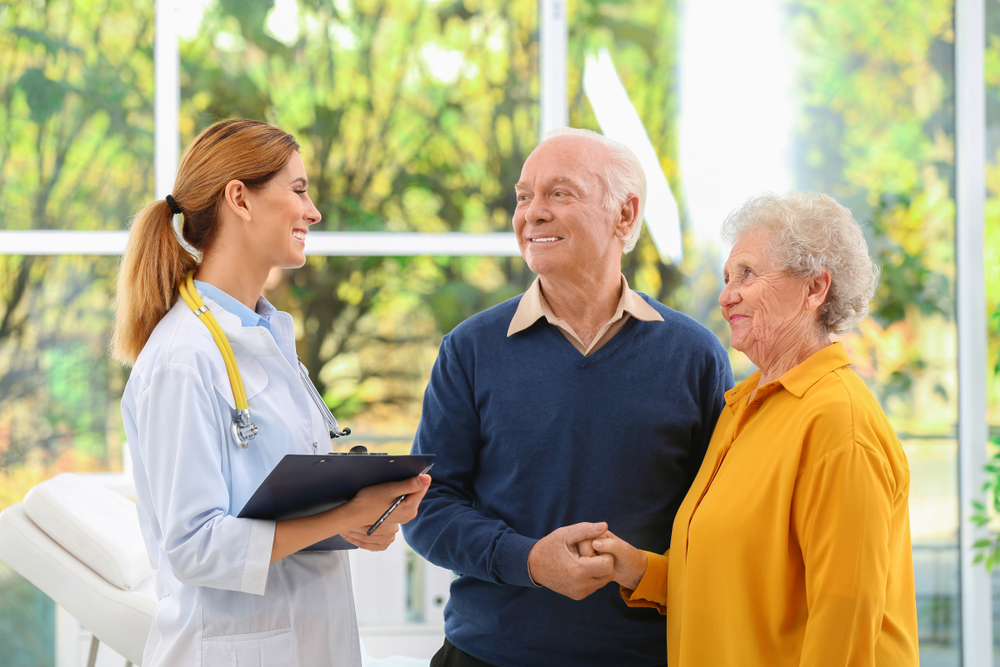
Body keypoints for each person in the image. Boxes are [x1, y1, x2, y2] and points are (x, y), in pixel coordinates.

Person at [401, 127, 734, 667]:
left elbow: (721, 521)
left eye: (559, 193)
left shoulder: (694, 355)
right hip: (487, 656)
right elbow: (425, 505)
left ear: (624, 215)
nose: (532, 212)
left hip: (647, 657)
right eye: (523, 196)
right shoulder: (470, 348)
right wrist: (529, 560)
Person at [112, 119, 431, 667]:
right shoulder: (182, 359)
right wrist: (342, 515)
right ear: (239, 198)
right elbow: (194, 547)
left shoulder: (262, 336)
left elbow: (272, 506)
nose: (314, 212)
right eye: (299, 190)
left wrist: (356, 519)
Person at [592, 192, 920, 666]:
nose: (726, 296)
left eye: (747, 274)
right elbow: (738, 582)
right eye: (727, 277)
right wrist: (639, 569)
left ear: (815, 289)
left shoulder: (838, 424)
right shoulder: (743, 406)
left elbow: (844, 628)